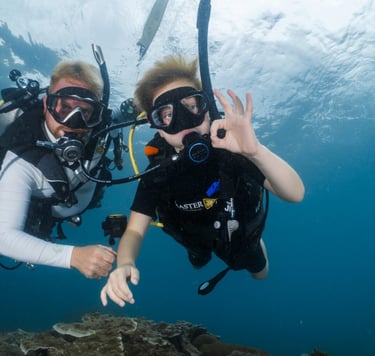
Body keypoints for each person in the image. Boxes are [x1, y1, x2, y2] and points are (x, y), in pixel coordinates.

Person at [100, 55, 305, 306]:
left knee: (260, 274)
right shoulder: (158, 172)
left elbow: (295, 194)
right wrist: (125, 264)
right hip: (193, 235)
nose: (183, 121)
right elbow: (134, 229)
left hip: (237, 232)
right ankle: (199, 252)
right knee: (198, 259)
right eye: (166, 115)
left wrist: (255, 152)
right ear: (157, 128)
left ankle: (249, 247)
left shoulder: (232, 150)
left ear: (206, 110)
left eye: (191, 106)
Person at [0, 60, 116, 279]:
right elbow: (4, 237)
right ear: (46, 105)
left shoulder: (102, 129)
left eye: (84, 111)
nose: (74, 121)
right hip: (43, 213)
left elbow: (128, 112)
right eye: (64, 108)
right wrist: (73, 256)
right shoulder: (20, 159)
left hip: (77, 206)